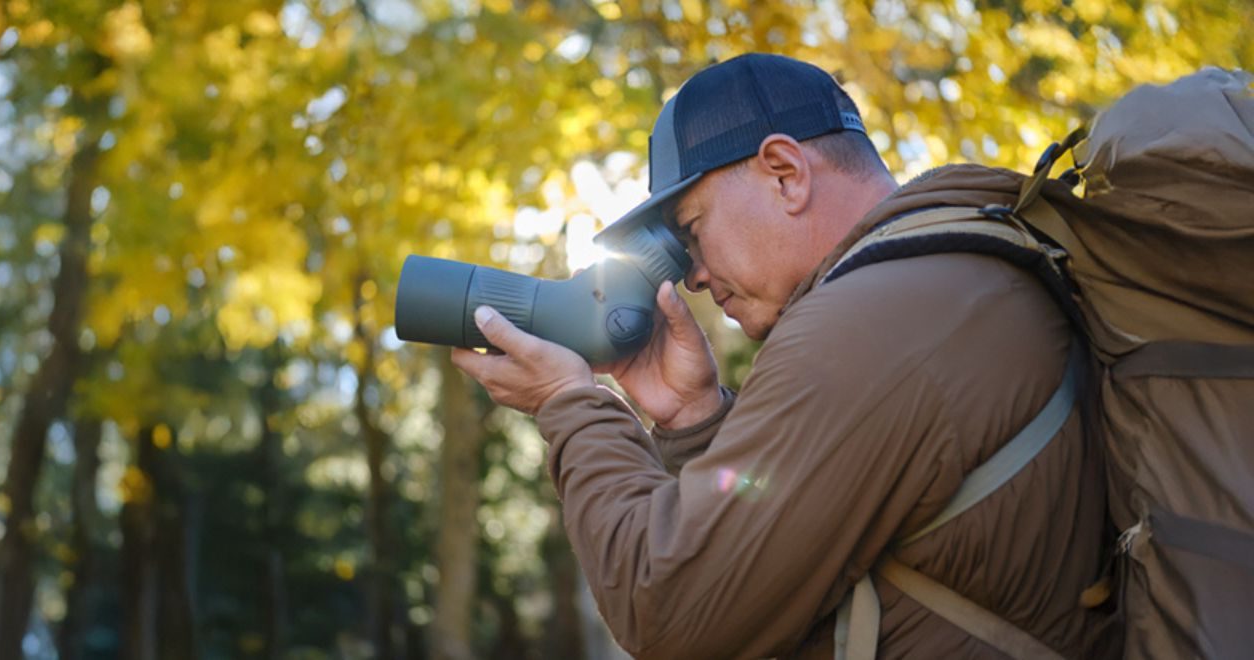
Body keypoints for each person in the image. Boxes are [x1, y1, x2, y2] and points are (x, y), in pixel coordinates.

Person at [450, 53, 1116, 658]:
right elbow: (768, 538)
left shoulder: (871, 323)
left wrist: (572, 406)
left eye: (691, 230)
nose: (692, 276)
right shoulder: (949, 280)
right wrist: (694, 418)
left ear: (785, 173)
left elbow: (669, 611)